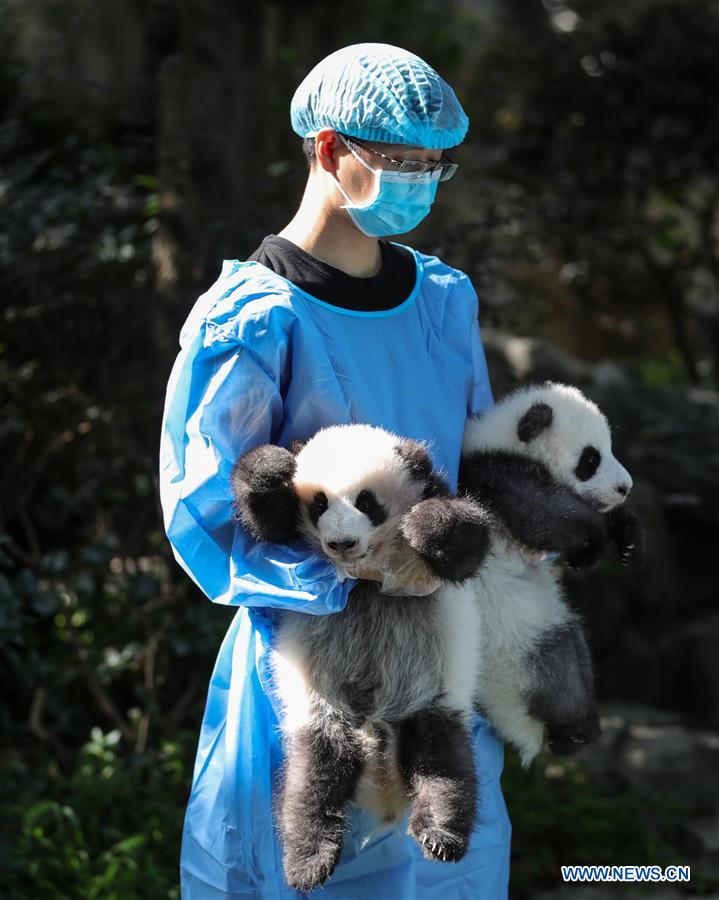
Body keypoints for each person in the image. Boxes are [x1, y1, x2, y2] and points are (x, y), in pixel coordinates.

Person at [159, 42, 512, 899]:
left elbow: (478, 467)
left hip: (438, 672)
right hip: (313, 679)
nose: (420, 183)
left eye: (436, 166)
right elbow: (204, 513)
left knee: (446, 874)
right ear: (328, 150)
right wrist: (358, 571)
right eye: (399, 162)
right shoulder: (251, 317)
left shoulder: (442, 300)